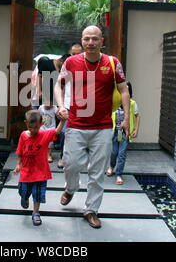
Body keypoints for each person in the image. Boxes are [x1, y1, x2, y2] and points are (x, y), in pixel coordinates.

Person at [54, 25, 130, 229]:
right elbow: (58, 85)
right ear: (82, 40)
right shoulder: (71, 62)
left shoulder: (112, 63)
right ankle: (71, 188)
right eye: (87, 39)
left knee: (97, 172)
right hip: (76, 124)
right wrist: (61, 106)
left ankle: (91, 210)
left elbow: (123, 90)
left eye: (95, 39)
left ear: (102, 41)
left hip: (103, 127)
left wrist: (127, 118)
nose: (90, 42)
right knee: (71, 164)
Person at [13, 110, 65, 226]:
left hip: (40, 172)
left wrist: (62, 120)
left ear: (41, 124)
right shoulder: (23, 135)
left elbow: (56, 131)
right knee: (23, 190)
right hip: (26, 171)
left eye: (36, 127)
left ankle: (36, 212)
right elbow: (20, 151)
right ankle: (24, 197)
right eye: (30, 127)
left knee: (37, 193)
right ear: (26, 123)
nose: (33, 130)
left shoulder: (44, 135)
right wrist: (18, 164)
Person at [105, 81, 140, 185]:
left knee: (122, 154)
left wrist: (136, 130)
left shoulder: (132, 103)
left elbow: (137, 116)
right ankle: (111, 166)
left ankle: (119, 174)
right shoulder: (114, 102)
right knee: (114, 152)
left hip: (125, 132)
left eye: (127, 89)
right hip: (115, 131)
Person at [57, 43, 84, 169]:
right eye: (73, 53)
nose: (76, 56)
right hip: (68, 106)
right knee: (64, 133)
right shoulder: (67, 65)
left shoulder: (88, 65)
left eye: (78, 53)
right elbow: (61, 87)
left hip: (85, 107)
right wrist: (60, 105)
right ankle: (63, 157)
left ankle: (80, 159)